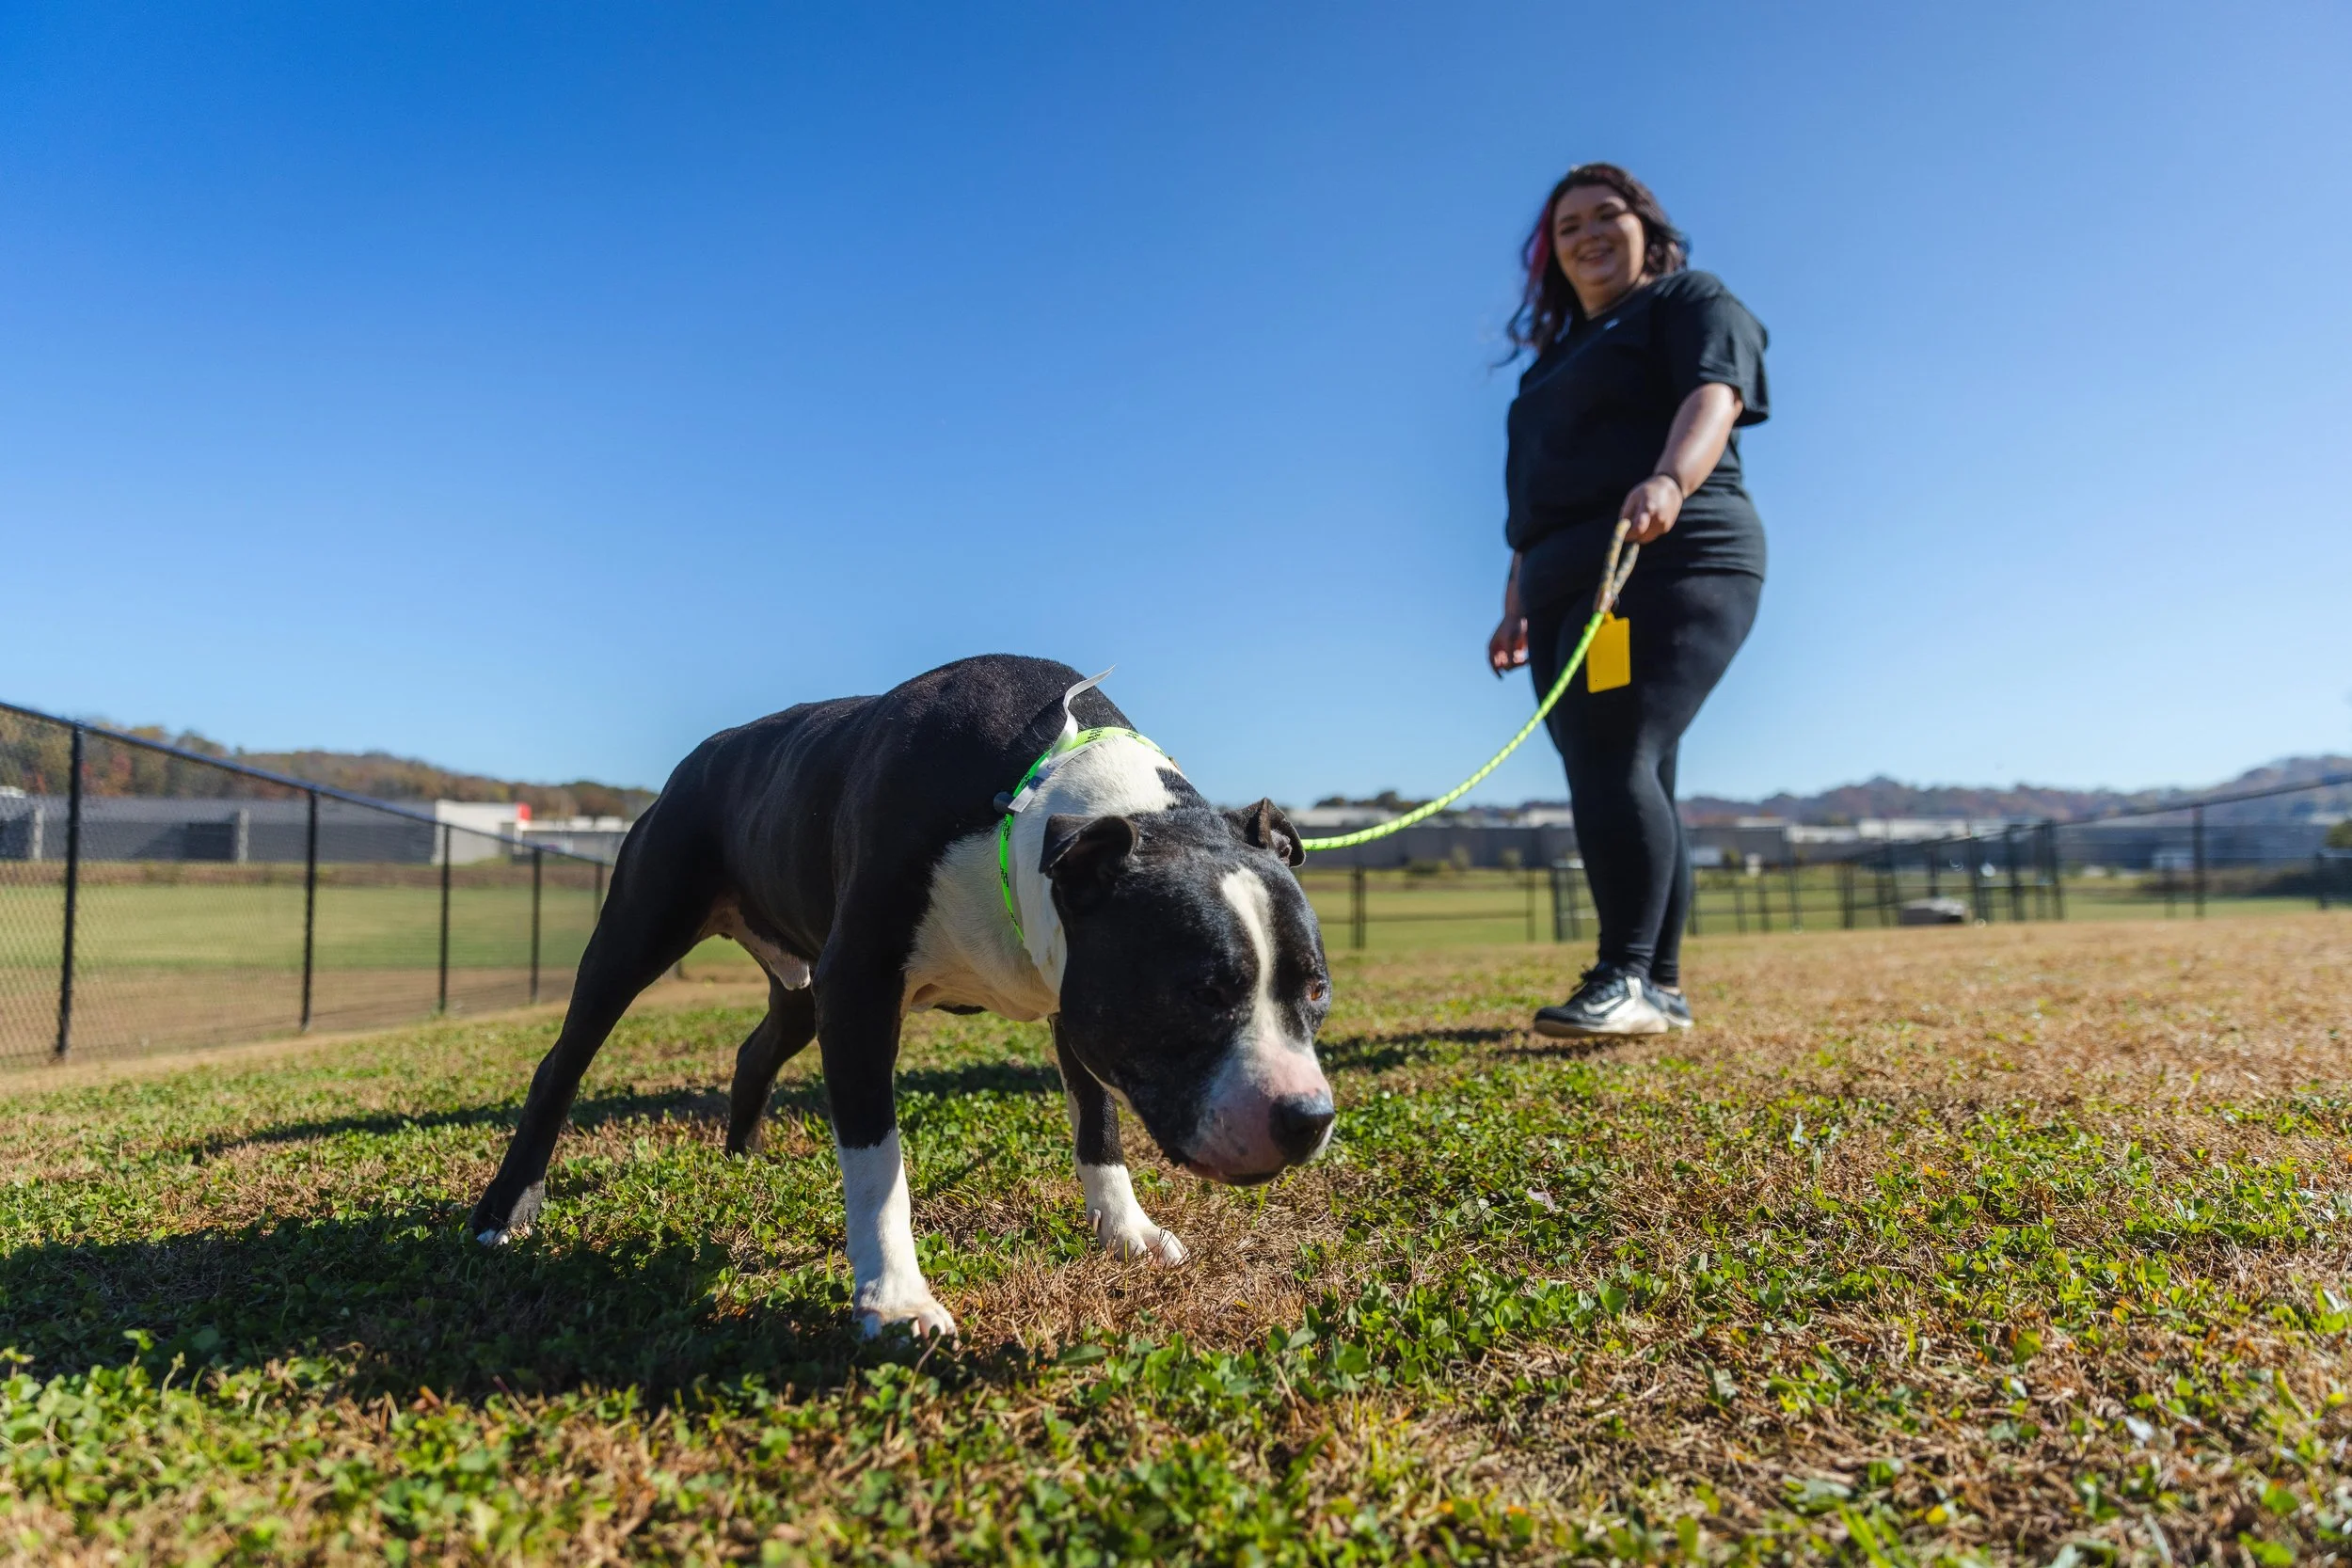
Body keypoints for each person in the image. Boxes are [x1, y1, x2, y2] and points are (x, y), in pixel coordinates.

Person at [1486, 163, 1768, 1038]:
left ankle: (1628, 973)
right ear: (1551, 256)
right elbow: (1531, 505)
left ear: (1647, 226)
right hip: (1568, 585)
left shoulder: (1687, 299)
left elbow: (1714, 391)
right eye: (1568, 226)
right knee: (1629, 766)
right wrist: (1515, 602)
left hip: (1674, 556)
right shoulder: (1547, 367)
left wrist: (1670, 479)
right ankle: (1663, 986)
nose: (1588, 234)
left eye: (1608, 215)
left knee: (1614, 752)